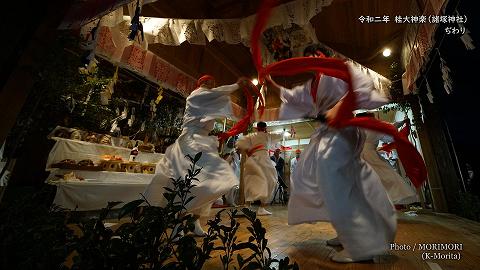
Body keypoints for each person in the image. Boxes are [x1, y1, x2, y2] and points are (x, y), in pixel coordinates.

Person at [265, 44, 395, 263]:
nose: (312, 59)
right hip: (327, 134)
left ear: (326, 55)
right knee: (318, 180)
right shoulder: (312, 84)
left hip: (342, 131)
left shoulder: (340, 70)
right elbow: (293, 98)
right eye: (307, 57)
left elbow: (360, 87)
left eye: (315, 55)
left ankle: (360, 245)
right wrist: (270, 82)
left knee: (336, 182)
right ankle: (346, 232)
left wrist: (340, 106)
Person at [144, 75, 252, 236]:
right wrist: (236, 85)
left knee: (207, 183)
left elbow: (217, 100)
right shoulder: (196, 95)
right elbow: (216, 94)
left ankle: (194, 221)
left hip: (203, 142)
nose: (212, 84)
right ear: (201, 84)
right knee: (189, 183)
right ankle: (177, 225)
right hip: (190, 141)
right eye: (209, 82)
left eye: (213, 82)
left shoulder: (207, 100)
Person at [357, 112, 418, 205]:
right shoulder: (374, 127)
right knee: (386, 177)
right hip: (370, 155)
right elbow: (390, 130)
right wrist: (402, 123)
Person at [236, 122, 280, 215]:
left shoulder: (251, 135)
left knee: (250, 180)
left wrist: (249, 152)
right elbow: (279, 135)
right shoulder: (267, 135)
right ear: (265, 128)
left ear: (256, 128)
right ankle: (261, 207)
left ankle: (247, 206)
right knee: (271, 180)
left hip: (253, 159)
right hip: (264, 159)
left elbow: (239, 144)